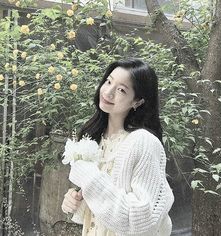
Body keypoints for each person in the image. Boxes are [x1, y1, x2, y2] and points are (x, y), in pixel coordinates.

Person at [61, 58, 174, 236]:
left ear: (137, 101)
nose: (108, 92)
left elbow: (143, 221)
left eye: (121, 89)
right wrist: (76, 199)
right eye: (109, 81)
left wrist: (90, 178)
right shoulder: (96, 138)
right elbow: (102, 206)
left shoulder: (143, 142)